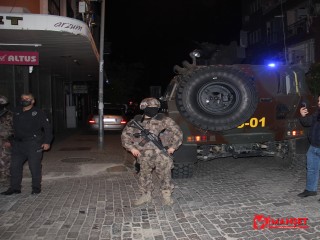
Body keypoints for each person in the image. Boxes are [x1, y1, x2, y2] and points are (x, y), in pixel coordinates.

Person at [121, 97, 183, 206]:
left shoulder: (164, 119)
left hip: (161, 154)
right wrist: (132, 148)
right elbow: (125, 136)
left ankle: (166, 196)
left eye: (156, 107)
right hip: (143, 155)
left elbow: (178, 132)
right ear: (144, 107)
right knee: (144, 176)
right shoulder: (136, 121)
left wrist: (173, 147)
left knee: (165, 175)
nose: (153, 109)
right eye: (151, 107)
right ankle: (146, 196)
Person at [1, 93, 53, 195]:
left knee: (34, 167)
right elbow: (8, 124)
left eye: (27, 99)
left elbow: (48, 128)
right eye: (23, 98)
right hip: (17, 144)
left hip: (33, 143)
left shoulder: (38, 112)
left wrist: (47, 142)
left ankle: (36, 188)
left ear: (33, 101)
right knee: (14, 167)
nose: (24, 100)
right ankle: (15, 188)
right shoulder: (16, 111)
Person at [298, 96, 320, 198]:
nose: (318, 102)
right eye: (319, 100)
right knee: (311, 169)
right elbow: (308, 122)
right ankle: (311, 190)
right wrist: (302, 116)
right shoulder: (318, 112)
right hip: (313, 146)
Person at [0, 95, 13, 184]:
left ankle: (5, 180)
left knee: (5, 162)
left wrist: (10, 140)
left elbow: (15, 129)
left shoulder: (10, 115)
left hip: (5, 141)